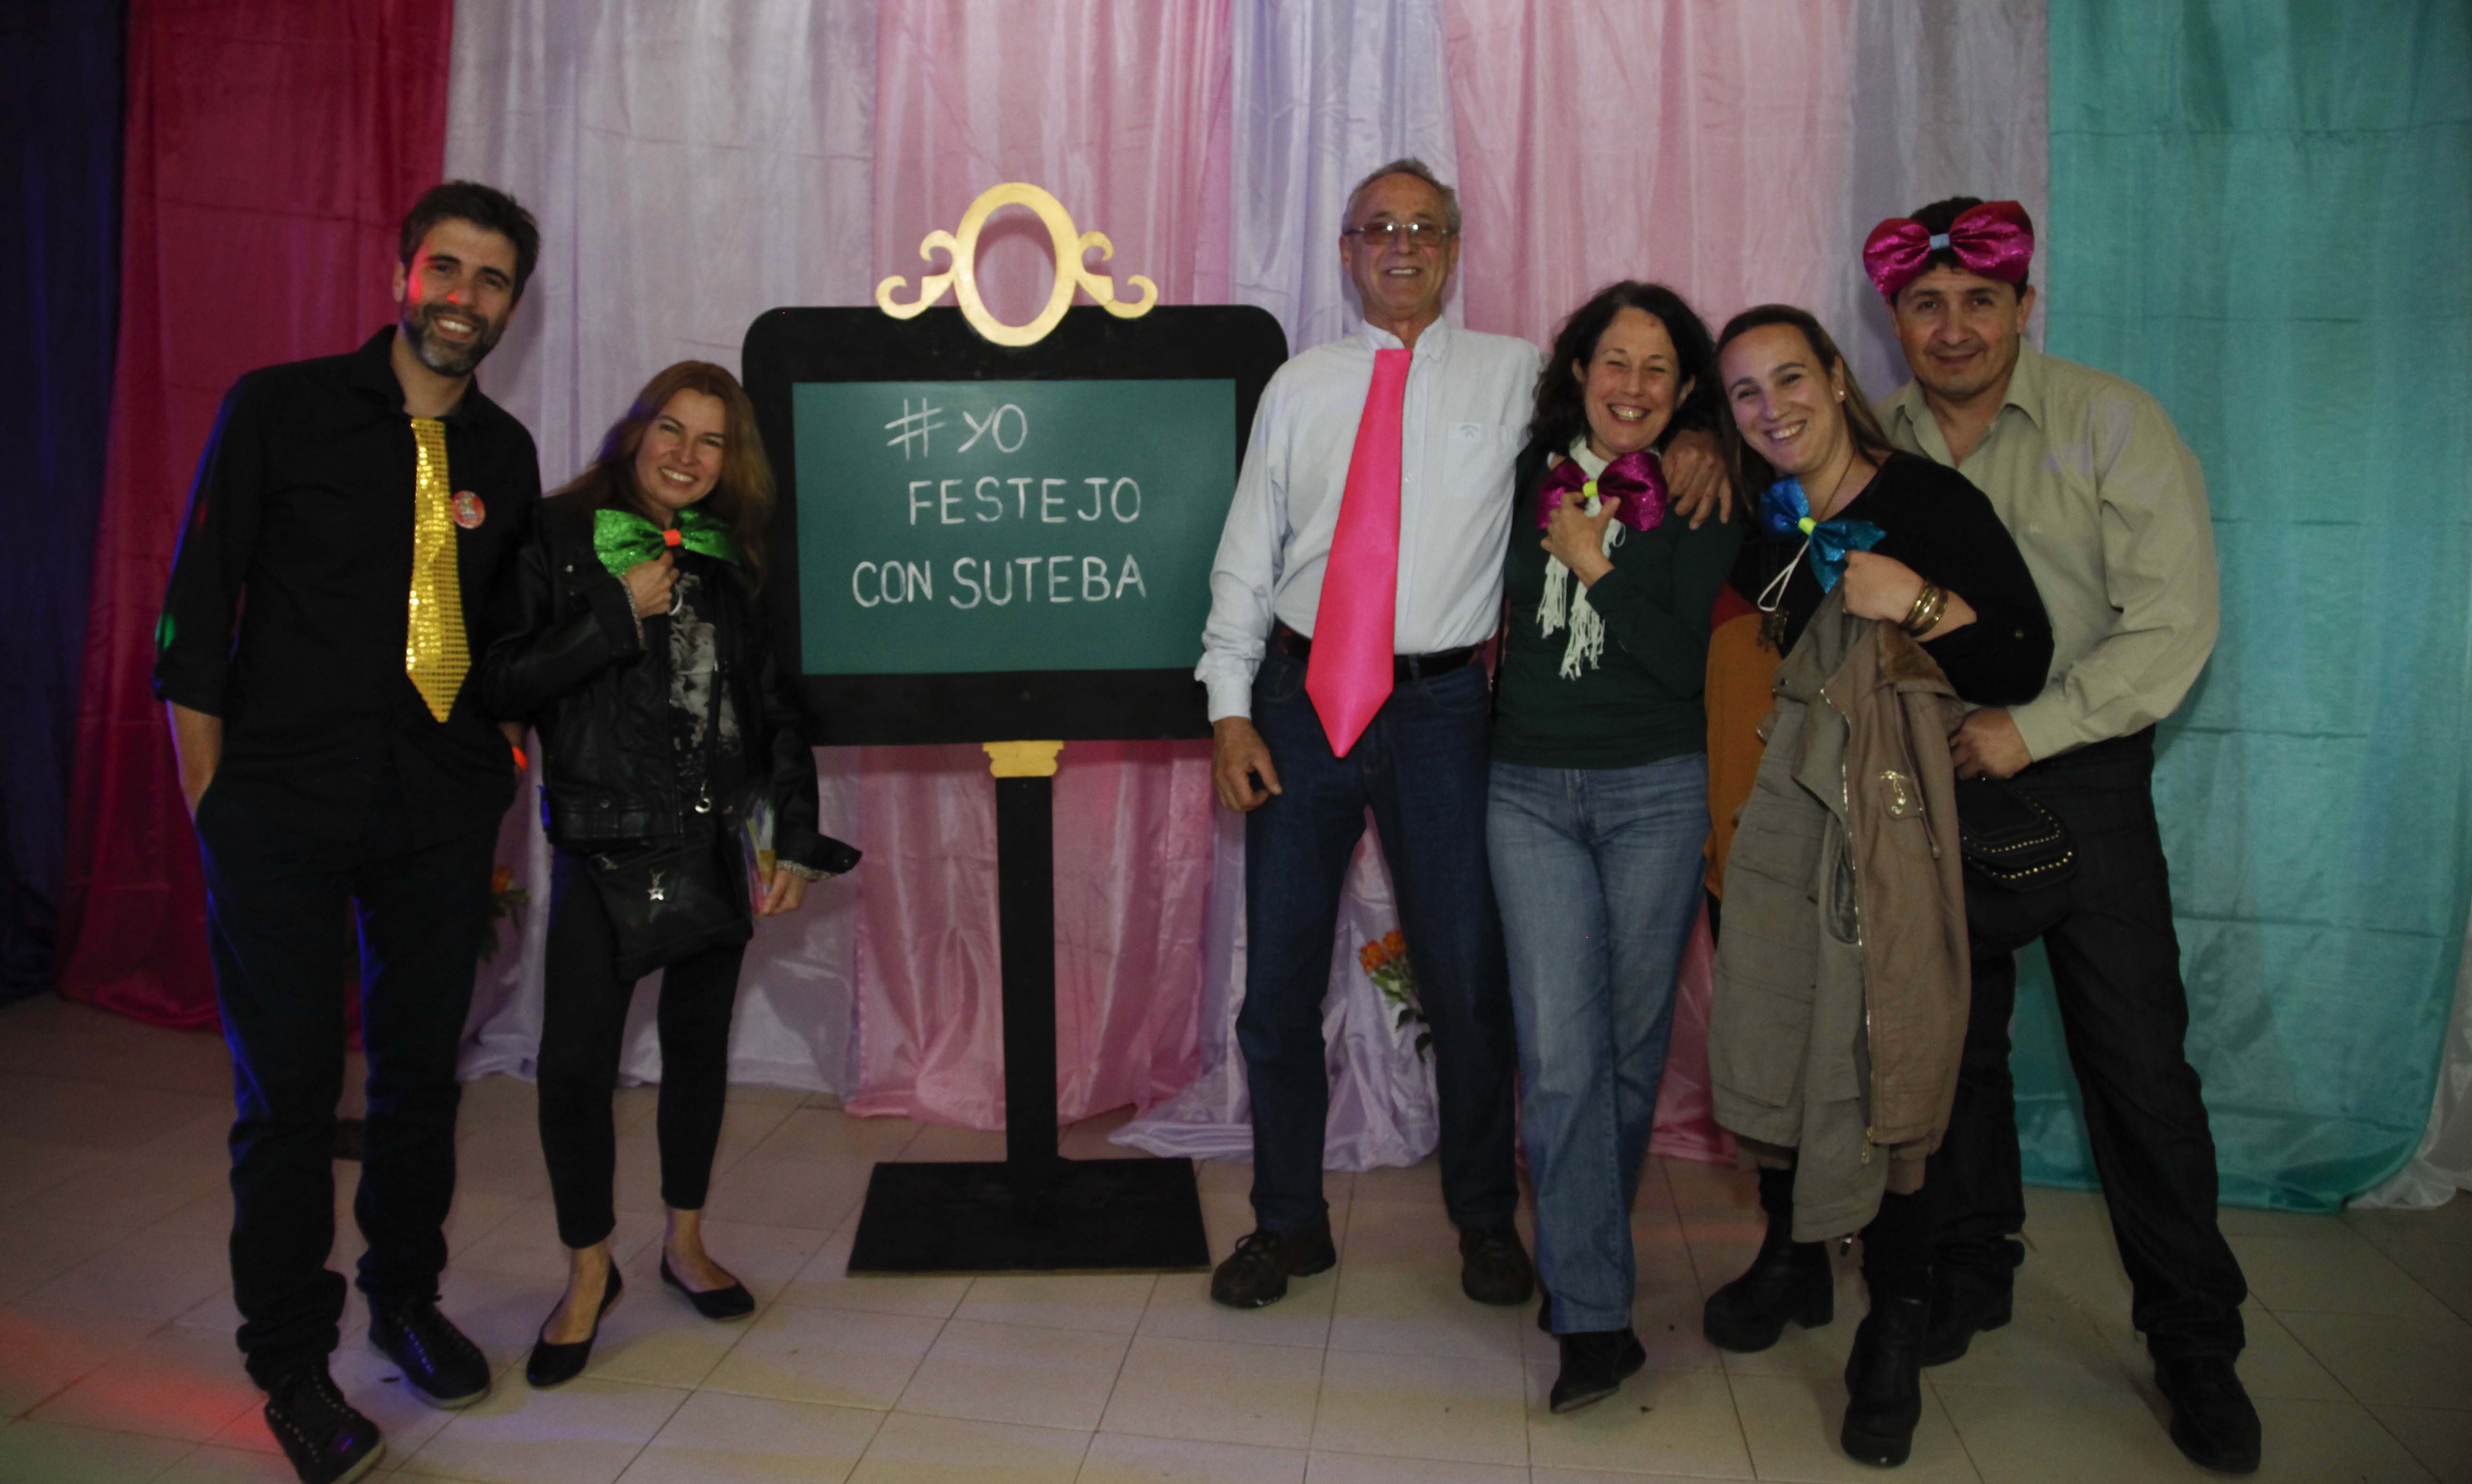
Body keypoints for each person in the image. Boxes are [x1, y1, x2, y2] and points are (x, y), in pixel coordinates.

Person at [1197, 158, 1727, 1310]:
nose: (1402, 245)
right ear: (1347, 252)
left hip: (1443, 712)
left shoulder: (1520, 376)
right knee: (1276, 988)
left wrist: (1700, 440)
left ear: (1454, 247)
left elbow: (1624, 418)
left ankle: (1485, 1218)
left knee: (1470, 985)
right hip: (1297, 702)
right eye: (1378, 228)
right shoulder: (1300, 385)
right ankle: (1287, 1223)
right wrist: (1230, 710)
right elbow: (1247, 556)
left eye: (1425, 227)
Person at [155, 181, 543, 1484]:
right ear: (403, 275)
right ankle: (290, 1363)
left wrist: (498, 771)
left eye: (494, 280)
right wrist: (211, 798)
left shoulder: (504, 456)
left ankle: (405, 1300)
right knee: (290, 1094)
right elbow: (198, 604)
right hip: (279, 806)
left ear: (512, 307)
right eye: (449, 268)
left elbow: (503, 642)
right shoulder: (279, 408)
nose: (466, 298)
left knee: (422, 1076)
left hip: (436, 811)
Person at [1869, 197, 2255, 1473]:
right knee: (1955, 1052)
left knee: (2138, 1067)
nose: (1954, 328)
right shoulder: (1875, 442)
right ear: (1894, 321)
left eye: (1980, 301)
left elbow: (2175, 621)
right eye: (1926, 305)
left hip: (2080, 772)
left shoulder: (2112, 421)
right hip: (1935, 779)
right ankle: (1973, 1269)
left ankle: (2195, 1341)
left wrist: (2032, 731)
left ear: (2025, 307)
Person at [1703, 304, 2052, 1468]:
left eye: (1790, 379)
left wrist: (1916, 601)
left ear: (1839, 378)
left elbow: (2023, 657)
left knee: (1887, 1060)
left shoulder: (1931, 504)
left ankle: (1895, 1321)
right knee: (1779, 1033)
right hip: (1767, 836)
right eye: (1746, 393)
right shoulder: (1765, 519)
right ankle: (1793, 1260)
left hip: (1884, 847)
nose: (1773, 409)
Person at [474, 362, 860, 1387]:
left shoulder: (734, 556)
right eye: (671, 430)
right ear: (635, 431)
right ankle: (588, 1270)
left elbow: (775, 709)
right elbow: (500, 679)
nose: (687, 456)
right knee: (574, 1068)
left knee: (698, 1052)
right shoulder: (558, 534)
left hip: (713, 841)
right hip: (600, 844)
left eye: (711, 441)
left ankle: (684, 1243)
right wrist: (614, 611)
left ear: (732, 462)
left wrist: (792, 837)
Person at [1489, 281, 1739, 1412]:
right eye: (1614, 362)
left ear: (1686, 391)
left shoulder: (1701, 490)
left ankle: (1581, 1255)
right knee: (1561, 1057)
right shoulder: (1520, 476)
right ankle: (1593, 1316)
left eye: (1658, 369)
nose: (1632, 387)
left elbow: (1681, 661)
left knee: (1630, 1058)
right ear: (1579, 371)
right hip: (1526, 792)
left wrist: (1596, 562)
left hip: (1656, 793)